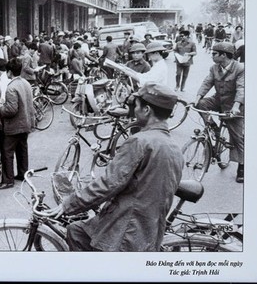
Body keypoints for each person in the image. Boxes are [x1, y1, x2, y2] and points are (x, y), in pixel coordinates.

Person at [45, 82, 183, 251]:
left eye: (136, 106)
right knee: (76, 231)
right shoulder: (175, 148)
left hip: (126, 229)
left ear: (146, 110)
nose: (133, 111)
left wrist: (69, 204)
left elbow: (109, 184)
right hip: (149, 229)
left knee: (78, 235)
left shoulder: (140, 142)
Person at [194, 42, 244, 183]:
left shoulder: (240, 68)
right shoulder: (214, 68)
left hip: (234, 105)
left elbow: (241, 89)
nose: (212, 56)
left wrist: (235, 107)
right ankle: (213, 126)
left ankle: (242, 166)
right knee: (201, 104)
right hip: (218, 100)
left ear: (223, 55)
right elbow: (207, 83)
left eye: (214, 54)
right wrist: (197, 98)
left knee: (238, 137)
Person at [0, 57, 35, 190]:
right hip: (26, 123)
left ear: (9, 72)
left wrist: (0, 108)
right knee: (22, 149)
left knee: (7, 153)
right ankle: (23, 173)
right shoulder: (25, 83)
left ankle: (7, 180)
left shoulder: (11, 87)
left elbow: (11, 110)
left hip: (13, 126)